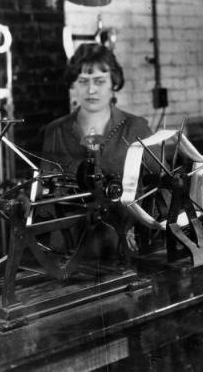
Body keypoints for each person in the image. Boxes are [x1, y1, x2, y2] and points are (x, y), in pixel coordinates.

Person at [40, 43, 154, 259]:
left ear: (114, 83)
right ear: (73, 85)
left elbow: (161, 193)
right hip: (69, 253)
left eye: (100, 81)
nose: (91, 90)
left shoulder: (136, 128)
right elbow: (45, 197)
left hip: (126, 250)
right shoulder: (55, 131)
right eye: (83, 82)